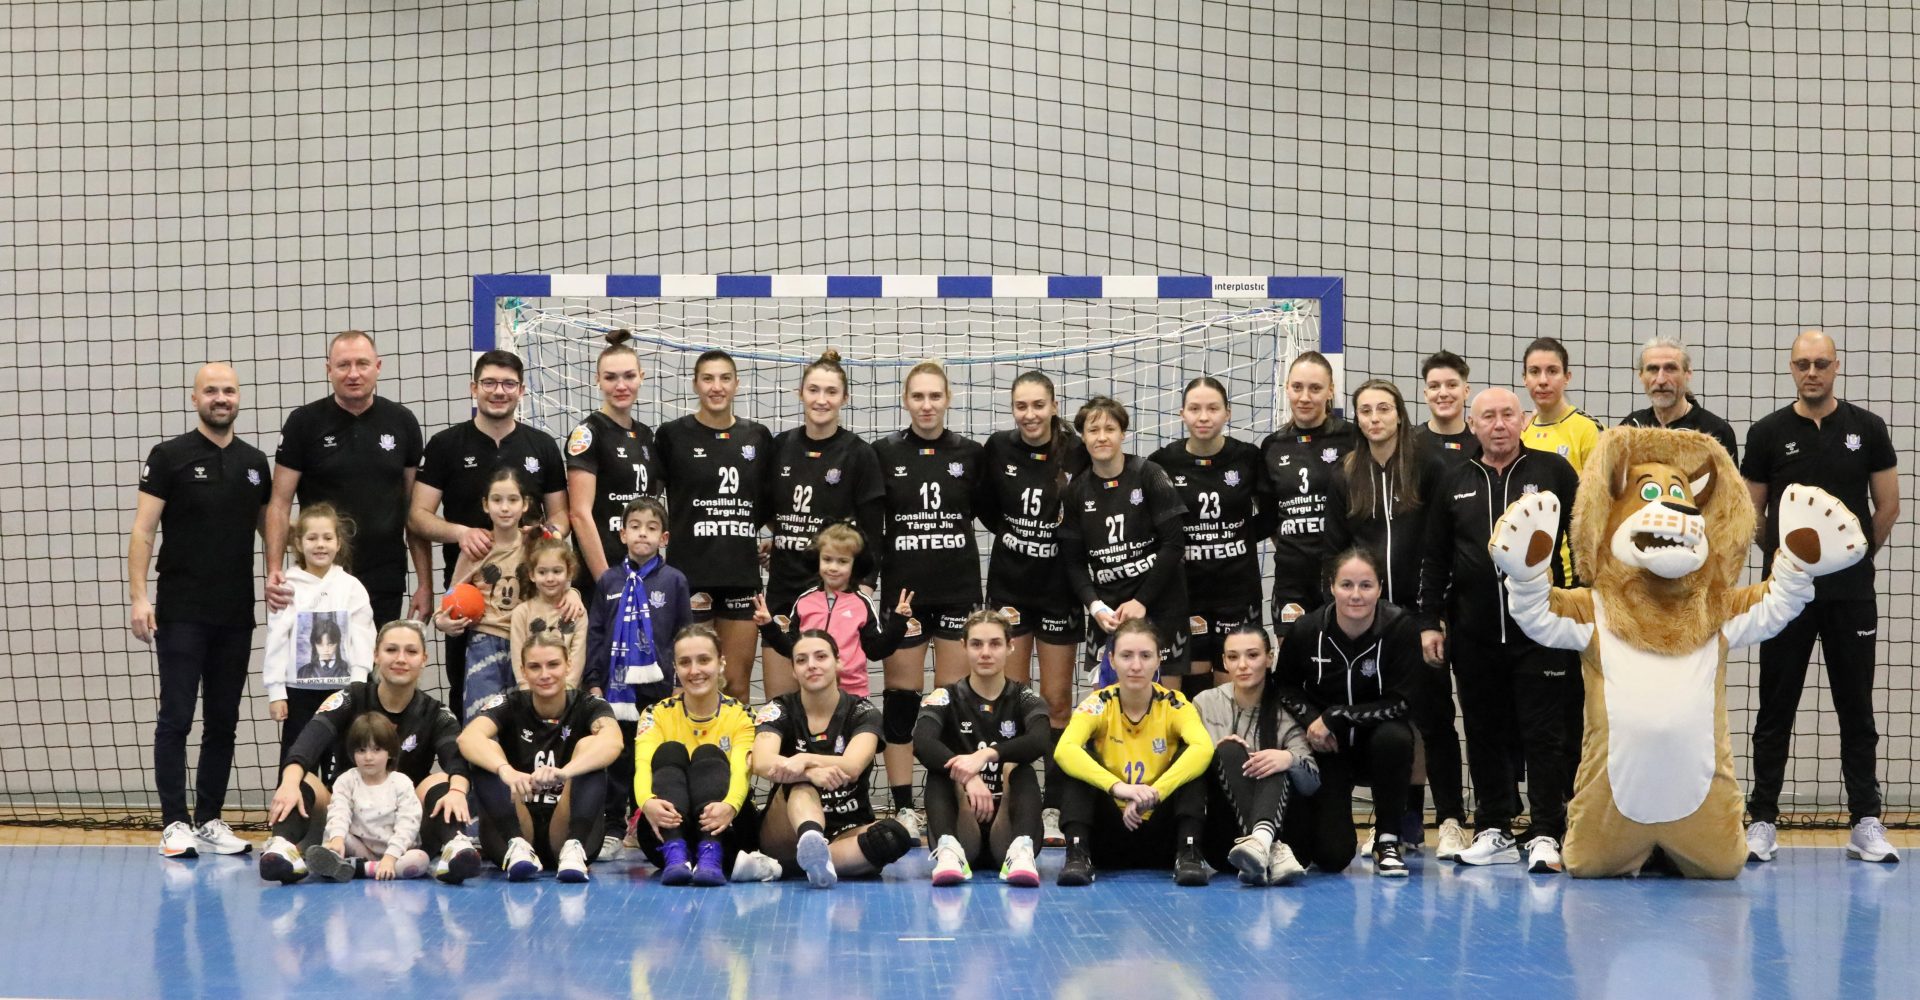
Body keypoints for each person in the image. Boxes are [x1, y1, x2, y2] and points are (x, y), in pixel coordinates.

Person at [1742, 329, 1902, 863]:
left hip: (1851, 596)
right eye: (1802, 364)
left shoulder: (1868, 428)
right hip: (1785, 597)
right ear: (1792, 368)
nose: (1811, 372)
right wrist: (1787, 563)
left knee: (1856, 708)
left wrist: (1852, 557)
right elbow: (1752, 512)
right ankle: (1762, 820)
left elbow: (1888, 505)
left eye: (1820, 363)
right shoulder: (1767, 432)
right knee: (1775, 707)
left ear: (1836, 367)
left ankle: (1865, 822)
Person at [1417, 388, 1582, 872]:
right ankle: (1494, 827)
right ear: (1473, 425)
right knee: (1483, 732)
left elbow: (1584, 540)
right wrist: (1429, 621)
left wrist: (1581, 603)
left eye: (1507, 414)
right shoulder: (1453, 479)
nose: (1498, 424)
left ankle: (1547, 830)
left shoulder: (1553, 471)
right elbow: (1435, 557)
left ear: (1523, 419)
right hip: (1474, 633)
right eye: (1487, 416)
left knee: (1545, 734)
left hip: (1543, 633)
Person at [130, 362, 272, 859]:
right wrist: (139, 597)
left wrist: (283, 575)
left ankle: (209, 819)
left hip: (235, 612)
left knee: (223, 721)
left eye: (228, 390)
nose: (221, 398)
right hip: (182, 611)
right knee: (176, 717)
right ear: (195, 399)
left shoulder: (255, 463)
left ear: (239, 398)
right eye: (211, 390)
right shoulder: (169, 456)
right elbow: (143, 530)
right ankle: (174, 823)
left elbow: (270, 528)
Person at [1334, 379, 1467, 860]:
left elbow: (1442, 544)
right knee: (1388, 721)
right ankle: (1399, 822)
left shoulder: (1429, 465)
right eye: (1366, 410)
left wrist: (1432, 615)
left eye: (1383, 409)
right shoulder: (1346, 473)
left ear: (1399, 414)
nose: (1375, 418)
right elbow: (1337, 548)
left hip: (1419, 616)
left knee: (1433, 719)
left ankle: (1450, 819)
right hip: (1371, 621)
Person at [261, 620, 479, 885]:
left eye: (411, 651)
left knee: (446, 782)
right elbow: (306, 745)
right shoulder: (351, 698)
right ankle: (283, 848)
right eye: (391, 650)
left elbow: (456, 761)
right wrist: (288, 784)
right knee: (299, 778)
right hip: (342, 824)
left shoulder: (435, 713)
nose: (401, 659)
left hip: (406, 830)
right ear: (376, 655)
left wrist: (457, 790)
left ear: (424, 659)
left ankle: (455, 846)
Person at [411, 349, 570, 713]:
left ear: (522, 391)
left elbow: (562, 514)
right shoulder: (446, 445)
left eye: (509, 384)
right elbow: (418, 516)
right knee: (468, 696)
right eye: (490, 383)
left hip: (530, 595)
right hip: (471, 596)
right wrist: (460, 533)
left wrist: (547, 533)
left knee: (534, 694)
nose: (499, 391)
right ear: (474, 388)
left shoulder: (541, 446)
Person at [872, 360, 987, 828]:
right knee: (902, 700)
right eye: (918, 396)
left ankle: (948, 800)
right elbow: (870, 524)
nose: (926, 405)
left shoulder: (971, 454)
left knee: (951, 703)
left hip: (957, 591)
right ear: (905, 400)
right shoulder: (883, 452)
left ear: (948, 399)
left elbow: (996, 510)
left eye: (934, 396)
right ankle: (903, 806)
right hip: (904, 597)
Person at [976, 370, 1085, 840]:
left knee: (1057, 700)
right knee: (1012, 698)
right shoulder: (999, 447)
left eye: (1038, 405)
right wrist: (1016, 535)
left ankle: (1054, 806)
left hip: (1061, 588)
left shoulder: (1077, 451)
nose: (1030, 414)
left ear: (1054, 406)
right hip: (1011, 587)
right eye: (1021, 406)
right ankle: (1013, 800)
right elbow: (985, 507)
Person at [1273, 549, 1424, 877]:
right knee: (1332, 857)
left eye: (1366, 585)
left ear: (1379, 588)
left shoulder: (1400, 628)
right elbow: (1284, 687)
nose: (1356, 595)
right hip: (1328, 748)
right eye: (1347, 585)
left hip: (1379, 745)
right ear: (1331, 587)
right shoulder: (1307, 630)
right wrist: (1312, 720)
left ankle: (1387, 839)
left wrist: (1336, 716)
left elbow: (1404, 701)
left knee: (1395, 737)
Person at [265, 330, 430, 627]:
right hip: (319, 575)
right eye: (343, 365)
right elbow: (279, 504)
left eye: (362, 364)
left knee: (378, 656)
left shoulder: (402, 422)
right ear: (329, 370)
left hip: (385, 575)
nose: (353, 374)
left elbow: (414, 513)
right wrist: (274, 569)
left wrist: (425, 584)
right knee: (323, 656)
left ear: (378, 367)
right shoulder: (303, 423)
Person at [761, 349, 887, 698]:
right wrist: (783, 538)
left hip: (834, 592)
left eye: (831, 392)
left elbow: (872, 532)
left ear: (844, 398)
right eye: (814, 390)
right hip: (785, 589)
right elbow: (769, 508)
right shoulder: (780, 446)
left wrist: (866, 587)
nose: (821, 399)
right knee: (781, 703)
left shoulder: (859, 453)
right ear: (800, 393)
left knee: (835, 705)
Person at [1053, 620, 1215, 887]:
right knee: (1078, 763)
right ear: (1112, 660)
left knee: (1191, 761)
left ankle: (1189, 853)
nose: (1136, 666)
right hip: (1108, 838)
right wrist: (1119, 788)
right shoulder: (1097, 704)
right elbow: (1064, 750)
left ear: (1159, 660)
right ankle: (1077, 855)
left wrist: (1155, 793)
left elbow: (1203, 748)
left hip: (1163, 837)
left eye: (1145, 656)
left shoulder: (1175, 704)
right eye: (1126, 656)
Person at [654, 349, 774, 702]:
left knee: (735, 686)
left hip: (741, 579)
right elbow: (649, 500)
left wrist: (781, 539)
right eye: (708, 378)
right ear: (695, 384)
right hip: (689, 577)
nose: (716, 387)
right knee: (689, 685)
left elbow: (769, 502)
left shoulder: (758, 437)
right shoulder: (672, 435)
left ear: (737, 384)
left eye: (724, 378)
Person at [753, 631, 916, 887]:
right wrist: (808, 773)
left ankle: (785, 867)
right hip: (787, 829)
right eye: (802, 660)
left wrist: (803, 758)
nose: (812, 665)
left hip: (846, 827)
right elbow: (761, 761)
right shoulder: (779, 709)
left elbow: (852, 766)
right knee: (801, 783)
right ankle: (810, 840)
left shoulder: (863, 712)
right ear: (793, 671)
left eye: (821, 657)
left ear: (838, 662)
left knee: (895, 835)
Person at [460, 634, 621, 882]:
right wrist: (506, 771)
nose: (545, 674)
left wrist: (566, 772)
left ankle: (573, 848)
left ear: (568, 665)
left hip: (569, 824)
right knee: (486, 752)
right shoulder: (509, 703)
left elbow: (613, 742)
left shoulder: (590, 704)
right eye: (535, 667)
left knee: (591, 746)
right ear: (523, 670)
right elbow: (467, 738)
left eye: (553, 664)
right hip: (515, 824)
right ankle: (517, 844)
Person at [1148, 377, 1275, 685]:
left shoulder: (1248, 457)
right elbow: (1152, 527)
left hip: (1237, 591)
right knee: (1192, 685)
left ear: (1227, 413)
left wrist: (1240, 538)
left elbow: (1271, 515)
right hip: (1186, 592)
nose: (1203, 417)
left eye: (1213, 408)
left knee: (1233, 683)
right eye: (1194, 409)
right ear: (1182, 413)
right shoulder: (1163, 462)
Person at [585, 496, 694, 852]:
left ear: (664, 538)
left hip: (658, 688)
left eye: (651, 528)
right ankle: (613, 826)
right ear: (622, 534)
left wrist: (680, 684)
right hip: (616, 688)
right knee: (617, 757)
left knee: (651, 756)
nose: (642, 534)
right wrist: (593, 681)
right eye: (635, 527)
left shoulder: (674, 581)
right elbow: (596, 633)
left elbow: (684, 634)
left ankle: (643, 825)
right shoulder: (608, 581)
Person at [1059, 396, 1192, 684]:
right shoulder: (1076, 491)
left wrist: (1141, 601)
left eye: (1110, 429)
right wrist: (1095, 607)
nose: (1102, 437)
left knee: (1165, 702)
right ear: (1083, 437)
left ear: (1123, 434)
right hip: (1110, 613)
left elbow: (1174, 545)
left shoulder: (1149, 474)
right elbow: (1073, 562)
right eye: (1093, 430)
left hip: (1160, 606)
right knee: (1106, 705)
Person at [915, 610, 1049, 886]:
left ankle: (1021, 852)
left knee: (1021, 769)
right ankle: (949, 852)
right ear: (963, 646)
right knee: (941, 770)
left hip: (1007, 823)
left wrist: (988, 754)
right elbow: (922, 743)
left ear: (1010, 646)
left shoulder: (1025, 697)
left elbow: (1040, 740)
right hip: (963, 821)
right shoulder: (945, 696)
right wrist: (968, 774)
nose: (985, 653)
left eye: (995, 644)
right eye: (976, 644)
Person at [632, 625, 760, 886]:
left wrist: (730, 806)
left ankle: (710, 853)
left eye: (703, 660)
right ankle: (676, 853)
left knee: (708, 753)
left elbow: (741, 771)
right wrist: (647, 803)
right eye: (685, 662)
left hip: (728, 830)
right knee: (670, 750)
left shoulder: (742, 715)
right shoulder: (655, 714)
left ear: (721, 663)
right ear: (675, 669)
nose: (694, 670)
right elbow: (642, 765)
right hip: (663, 835)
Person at [1192, 626, 1315, 885]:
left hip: (1290, 840)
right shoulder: (1204, 703)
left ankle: (1262, 841)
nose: (1242, 665)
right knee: (1228, 749)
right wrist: (1218, 756)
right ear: (1224, 662)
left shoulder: (1287, 708)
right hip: (1226, 845)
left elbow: (1312, 783)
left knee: (1275, 761)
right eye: (1233, 657)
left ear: (1269, 658)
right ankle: (1270, 845)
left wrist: (1289, 760)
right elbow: (1189, 772)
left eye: (1252, 655)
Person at [264, 503, 375, 764]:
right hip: (299, 694)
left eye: (327, 538)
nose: (320, 545)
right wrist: (276, 692)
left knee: (340, 763)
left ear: (338, 543)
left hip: (342, 692)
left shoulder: (351, 587)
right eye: (312, 538)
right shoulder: (287, 586)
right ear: (298, 543)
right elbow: (277, 640)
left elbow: (364, 637)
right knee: (297, 759)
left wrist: (358, 683)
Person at [1260, 351, 1357, 634]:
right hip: (1292, 578)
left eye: (1315, 388)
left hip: (1342, 573)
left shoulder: (1352, 438)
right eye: (1297, 387)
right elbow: (1269, 516)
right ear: (1287, 388)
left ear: (1330, 391)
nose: (1304, 397)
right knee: (1292, 655)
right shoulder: (1272, 446)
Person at [754, 522, 909, 697]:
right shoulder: (804, 601)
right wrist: (768, 626)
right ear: (818, 559)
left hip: (853, 695)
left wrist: (898, 623)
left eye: (842, 561)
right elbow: (791, 648)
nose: (833, 567)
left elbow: (876, 651)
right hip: (811, 695)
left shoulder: (861, 604)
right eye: (827, 559)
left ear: (855, 565)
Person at [565, 329, 665, 595]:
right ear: (597, 380)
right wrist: (606, 581)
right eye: (610, 377)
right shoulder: (588, 434)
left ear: (641, 377)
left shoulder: (646, 435)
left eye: (629, 376)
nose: (621, 386)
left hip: (645, 574)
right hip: (603, 579)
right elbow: (579, 514)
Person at [431, 468, 536, 719]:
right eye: (497, 500)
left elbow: (558, 584)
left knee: (524, 721)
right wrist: (441, 621)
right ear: (485, 505)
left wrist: (573, 595)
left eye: (513, 500)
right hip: (484, 642)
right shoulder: (476, 548)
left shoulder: (535, 545)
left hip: (528, 641)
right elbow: (449, 598)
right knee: (481, 719)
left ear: (525, 504)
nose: (505, 507)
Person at [302, 713, 431, 882]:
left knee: (420, 859)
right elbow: (339, 812)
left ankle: (359, 869)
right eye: (361, 750)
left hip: (398, 853)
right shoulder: (347, 781)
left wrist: (390, 857)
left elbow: (408, 824)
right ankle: (343, 862)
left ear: (390, 752)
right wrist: (337, 840)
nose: (368, 757)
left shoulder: (401, 783)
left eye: (376, 750)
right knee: (332, 840)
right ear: (352, 752)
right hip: (359, 848)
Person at [1620, 335, 1740, 461]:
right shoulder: (1631, 427)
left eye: (1670, 369)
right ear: (1640, 375)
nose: (1661, 380)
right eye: (1653, 369)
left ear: (1688, 374)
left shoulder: (1715, 432)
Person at [508, 537, 587, 685]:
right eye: (542, 572)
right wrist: (527, 692)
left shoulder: (577, 612)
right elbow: (519, 661)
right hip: (531, 693)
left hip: (568, 693)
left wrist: (566, 693)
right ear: (532, 575)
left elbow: (577, 659)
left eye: (557, 571)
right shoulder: (521, 613)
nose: (550, 578)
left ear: (569, 572)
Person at [1520, 336, 1602, 478]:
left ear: (1567, 377)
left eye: (1552, 371)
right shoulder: (1521, 434)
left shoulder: (1589, 430)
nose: (1543, 381)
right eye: (1534, 371)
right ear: (1524, 378)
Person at [1410, 350, 1478, 462]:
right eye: (1434, 386)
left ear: (1466, 391)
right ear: (1426, 395)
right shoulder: (1408, 442)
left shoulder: (1482, 444)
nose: (1443, 393)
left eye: (1452, 385)